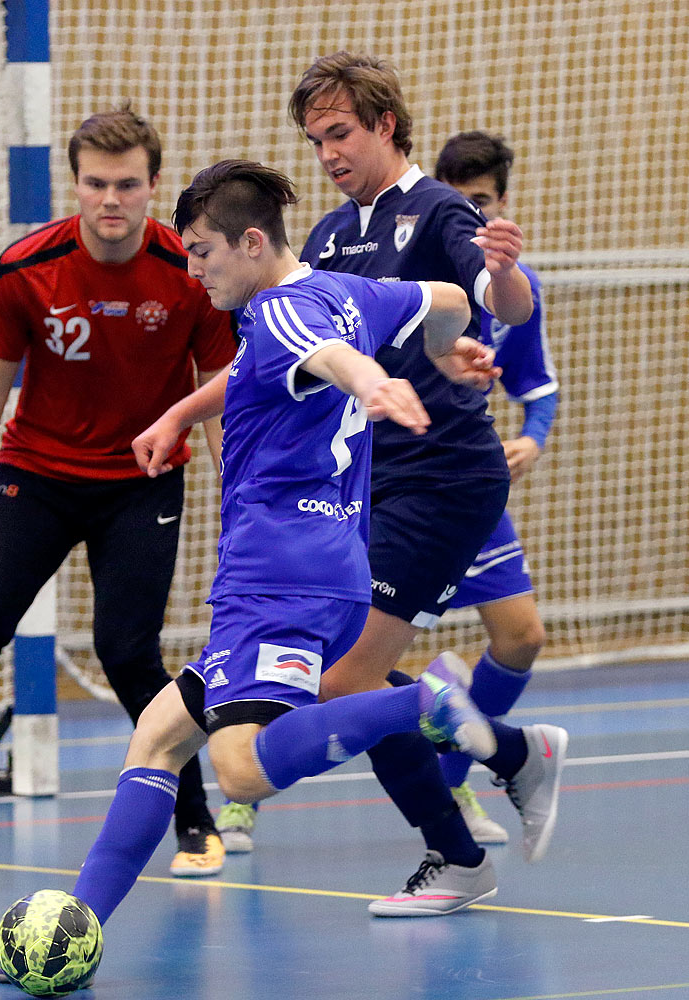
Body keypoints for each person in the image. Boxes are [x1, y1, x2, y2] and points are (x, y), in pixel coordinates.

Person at [0, 159, 508, 962]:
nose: (192, 269)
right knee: (161, 736)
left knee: (237, 772)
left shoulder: (277, 315)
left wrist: (373, 380)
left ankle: (424, 704)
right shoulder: (349, 288)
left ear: (252, 241)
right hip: (328, 562)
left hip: (276, 576)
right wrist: (448, 352)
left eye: (201, 252)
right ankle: (78, 930)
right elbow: (444, 299)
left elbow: (331, 358)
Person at [212, 52, 568, 917]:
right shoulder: (332, 234)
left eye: (340, 132)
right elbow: (290, 348)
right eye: (315, 138)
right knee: (347, 682)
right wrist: (178, 415)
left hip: (443, 476)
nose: (328, 150)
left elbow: (499, 301)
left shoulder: (436, 209)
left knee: (342, 684)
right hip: (364, 488)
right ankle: (510, 765)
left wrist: (507, 273)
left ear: (384, 126)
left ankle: (470, 830)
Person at [0, 104, 236, 878]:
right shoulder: (28, 267)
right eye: (96, 183)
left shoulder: (188, 273)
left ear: (154, 185)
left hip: (142, 480)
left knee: (127, 651)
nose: (111, 201)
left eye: (128, 184)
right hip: (37, 473)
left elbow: (220, 389)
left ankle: (193, 817)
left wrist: (242, 508)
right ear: (75, 183)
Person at [432, 130, 559, 843]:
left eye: (483, 203)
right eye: (460, 204)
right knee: (334, 654)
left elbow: (538, 387)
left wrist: (532, 438)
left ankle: (449, 788)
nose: (474, 219)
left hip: (469, 481)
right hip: (394, 484)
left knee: (521, 636)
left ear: (503, 204)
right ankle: (241, 798)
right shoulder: (415, 273)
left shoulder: (517, 290)